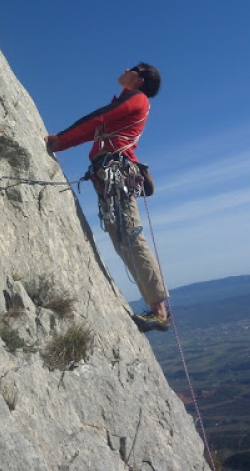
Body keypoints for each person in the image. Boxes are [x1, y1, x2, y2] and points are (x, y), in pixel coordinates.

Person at [44, 63, 170, 332]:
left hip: (116, 173)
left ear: (140, 79)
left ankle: (159, 311)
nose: (125, 68)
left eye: (133, 68)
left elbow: (97, 120)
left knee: (131, 237)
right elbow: (98, 127)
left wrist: (60, 141)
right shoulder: (131, 100)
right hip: (110, 175)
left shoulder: (137, 99)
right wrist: (64, 142)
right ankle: (155, 308)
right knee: (122, 239)